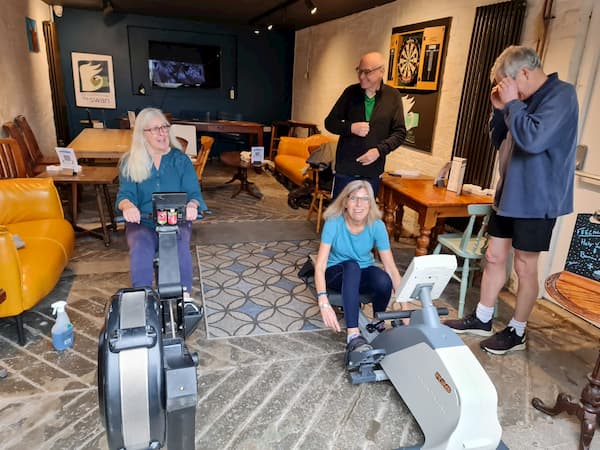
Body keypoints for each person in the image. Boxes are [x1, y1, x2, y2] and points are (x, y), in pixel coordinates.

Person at [445, 46, 579, 355]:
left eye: (505, 82)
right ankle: (482, 317)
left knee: (524, 266)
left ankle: (517, 331)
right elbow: (498, 140)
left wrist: (513, 104)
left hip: (537, 198)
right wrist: (499, 110)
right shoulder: (519, 101)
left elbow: (533, 139)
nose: (503, 89)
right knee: (493, 257)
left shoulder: (561, 95)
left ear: (524, 73)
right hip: (509, 194)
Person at [116, 107, 208, 303]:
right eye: (155, 129)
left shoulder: (180, 160)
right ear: (143, 134)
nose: (162, 133)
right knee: (140, 245)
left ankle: (184, 298)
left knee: (179, 245)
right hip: (143, 221)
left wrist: (192, 205)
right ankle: (144, 298)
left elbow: (194, 194)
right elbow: (125, 195)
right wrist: (128, 207)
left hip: (176, 219)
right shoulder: (130, 162)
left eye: (165, 127)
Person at [314, 180, 402, 360]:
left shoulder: (377, 226)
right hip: (336, 273)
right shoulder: (333, 223)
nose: (359, 204)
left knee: (383, 278)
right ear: (345, 202)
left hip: (361, 273)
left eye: (364, 199)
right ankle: (353, 335)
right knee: (352, 266)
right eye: (354, 198)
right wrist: (323, 301)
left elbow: (391, 267)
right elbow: (320, 265)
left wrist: (405, 304)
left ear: (371, 203)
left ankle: (378, 322)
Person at [324, 51, 406, 199]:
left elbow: (399, 133)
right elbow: (329, 123)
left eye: (367, 72)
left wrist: (379, 151)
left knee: (364, 217)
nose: (361, 76)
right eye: (359, 71)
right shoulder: (350, 93)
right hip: (345, 170)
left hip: (372, 173)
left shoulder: (393, 96)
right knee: (338, 216)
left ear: (381, 71)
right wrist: (350, 128)